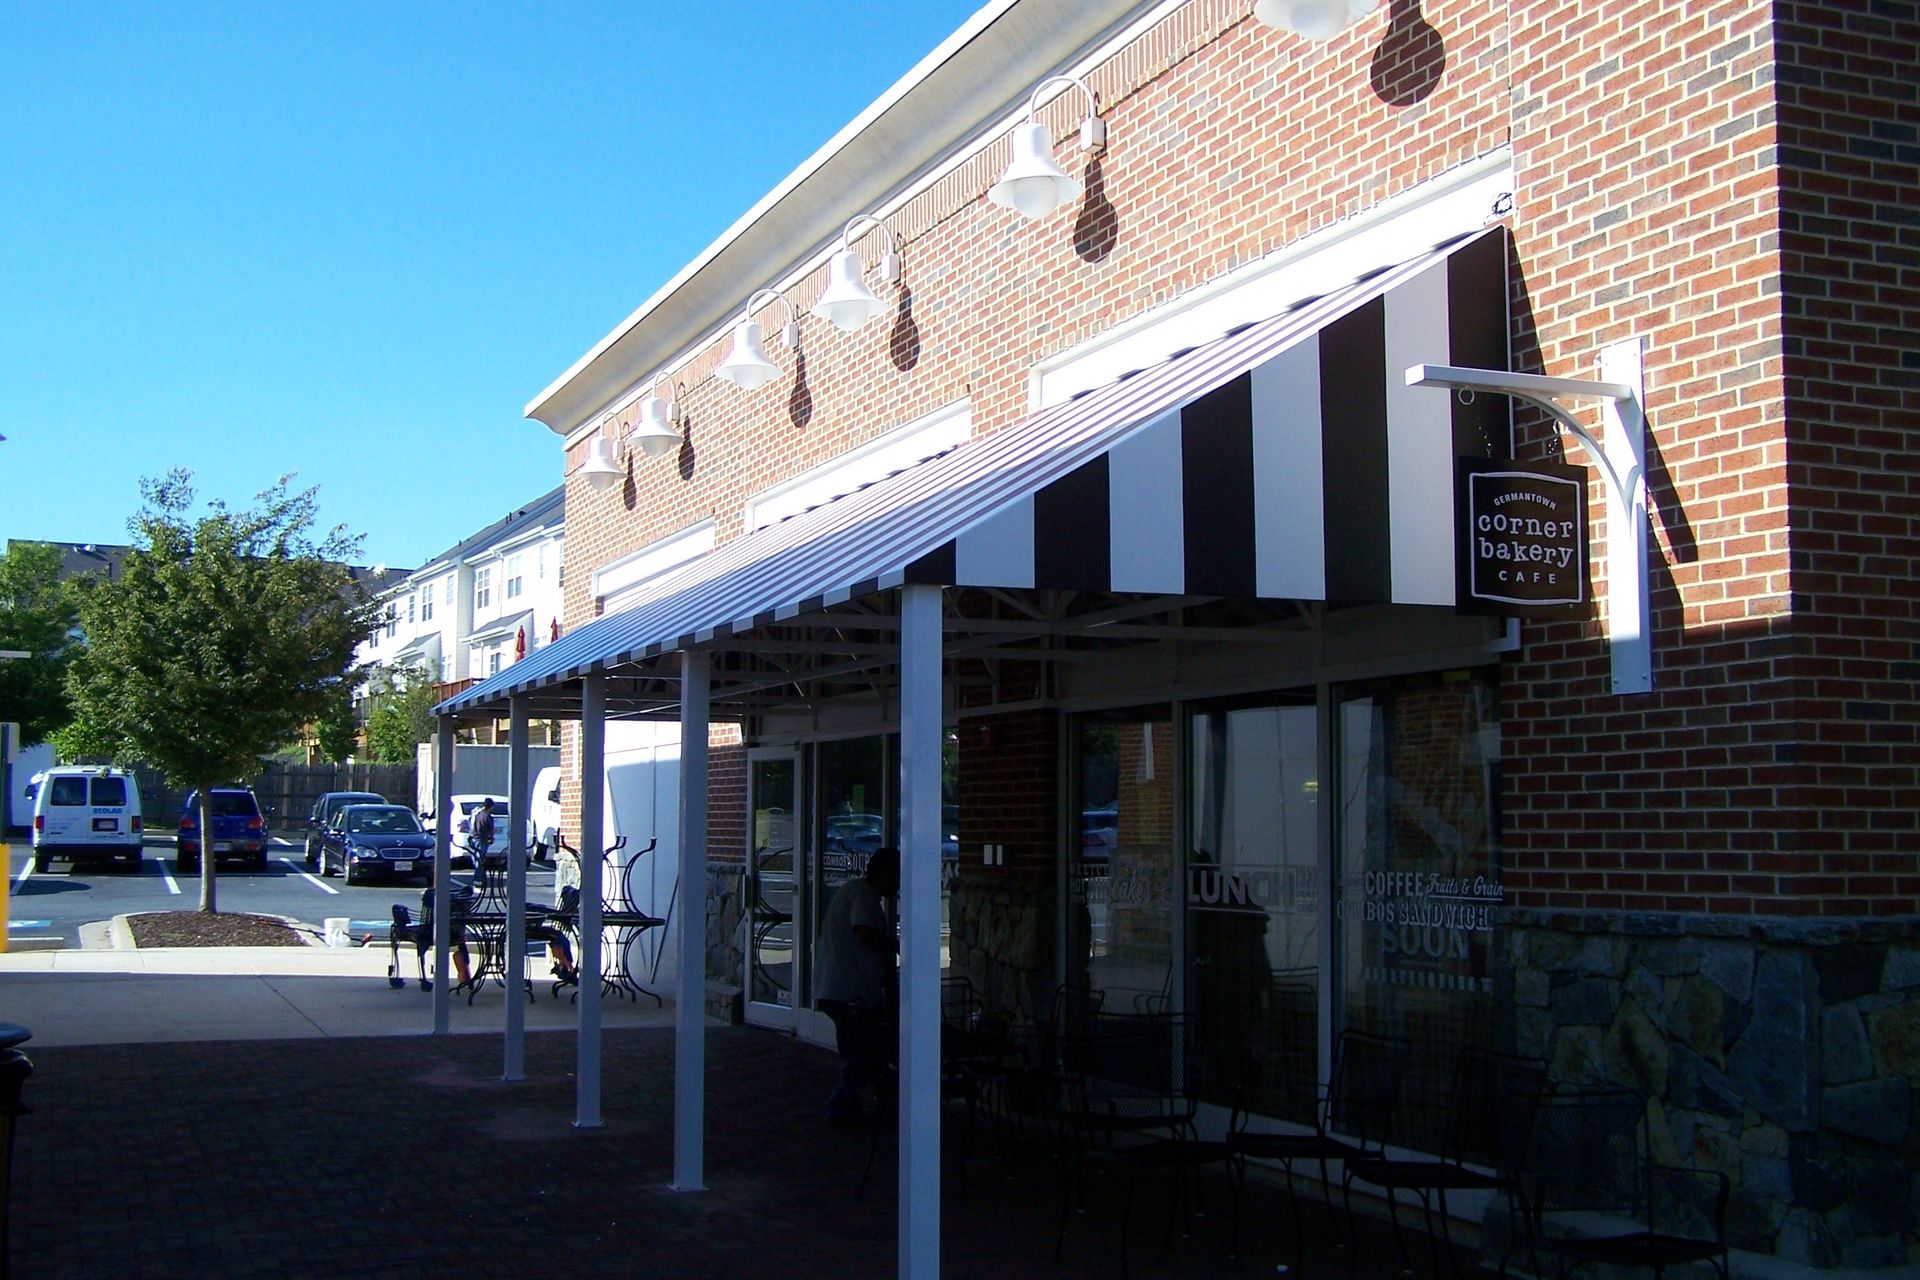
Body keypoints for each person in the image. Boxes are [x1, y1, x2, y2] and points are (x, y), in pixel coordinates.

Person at [811, 846, 900, 1126]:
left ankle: (849, 1108)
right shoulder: (863, 895)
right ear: (883, 873)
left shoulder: (860, 893)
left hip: (846, 990)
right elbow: (864, 934)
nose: (898, 884)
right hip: (848, 993)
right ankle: (840, 1110)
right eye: (896, 877)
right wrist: (898, 946)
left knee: (864, 1052)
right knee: (860, 1055)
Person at [468, 798, 497, 864]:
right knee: (480, 860)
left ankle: (477, 873)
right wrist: (491, 838)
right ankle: (480, 874)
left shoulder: (478, 814)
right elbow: (489, 829)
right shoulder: (488, 817)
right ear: (491, 806)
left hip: (474, 838)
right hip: (482, 839)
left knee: (476, 859)